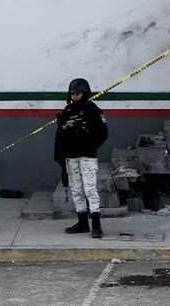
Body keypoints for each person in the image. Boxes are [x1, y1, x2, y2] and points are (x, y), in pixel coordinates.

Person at [53, 77, 108, 239]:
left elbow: (103, 133)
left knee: (90, 189)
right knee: (76, 190)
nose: (74, 96)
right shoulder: (68, 110)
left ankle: (96, 225)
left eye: (77, 93)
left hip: (87, 156)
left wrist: (88, 143)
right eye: (72, 94)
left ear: (84, 93)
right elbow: (60, 135)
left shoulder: (93, 110)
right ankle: (82, 223)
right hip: (71, 157)